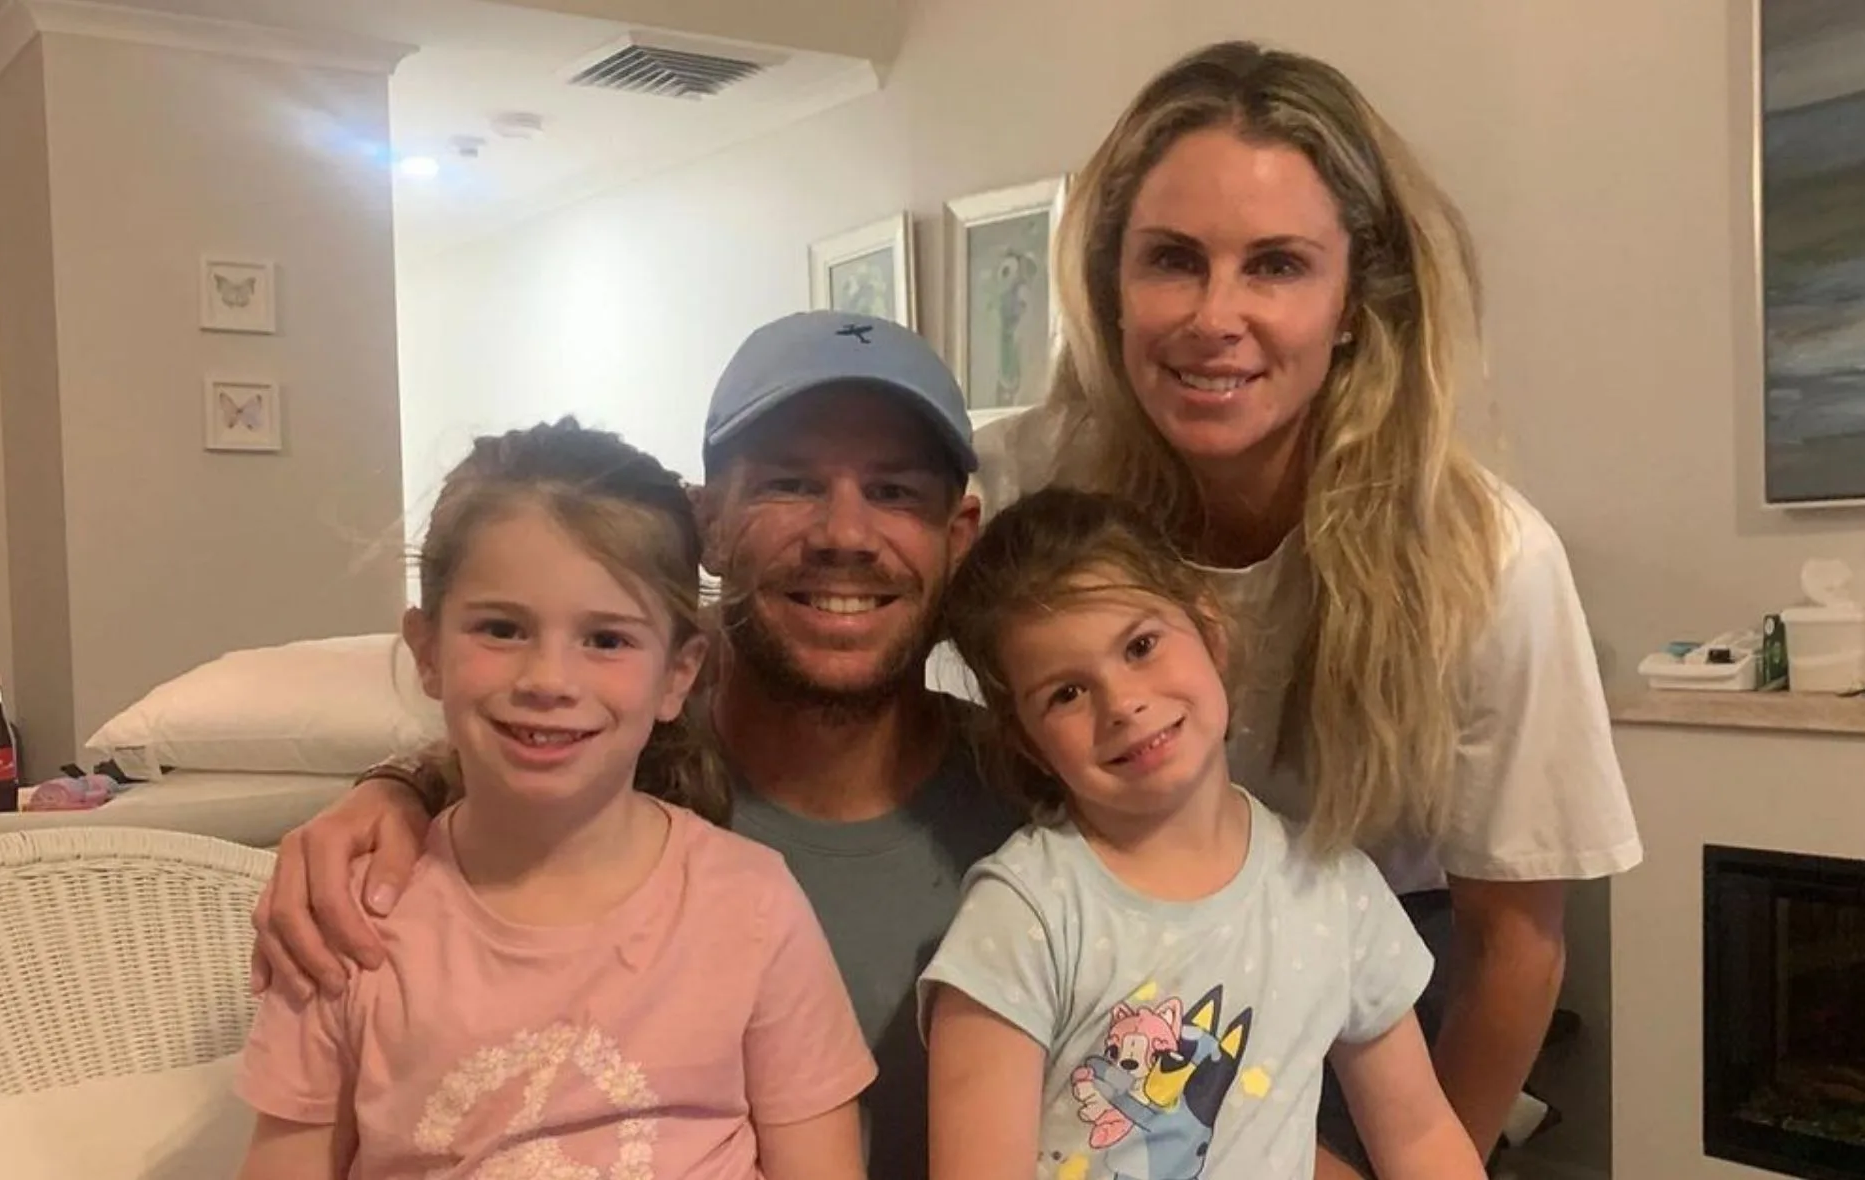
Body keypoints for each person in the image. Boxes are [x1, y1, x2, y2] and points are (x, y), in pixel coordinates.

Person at [971, 40, 1641, 1177]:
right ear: (1108, 281)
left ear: (1351, 304)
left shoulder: (1491, 560)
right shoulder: (1019, 485)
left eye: (1276, 266)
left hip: (1360, 1001)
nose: (1213, 316)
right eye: (1171, 260)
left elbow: (1517, 945)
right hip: (1084, 983)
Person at [246, 314, 1024, 1180]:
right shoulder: (607, 774)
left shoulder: (1045, 778)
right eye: (791, 483)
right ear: (709, 522)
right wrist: (392, 789)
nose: (844, 533)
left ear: (959, 535)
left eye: (895, 492)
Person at [235, 420, 873, 1179]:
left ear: (679, 674)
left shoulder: (752, 907)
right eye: (501, 629)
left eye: (606, 640)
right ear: (428, 649)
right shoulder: (352, 923)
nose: (548, 679)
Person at [922, 487, 1486, 1180]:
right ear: (1031, 745)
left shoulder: (1334, 889)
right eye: (1066, 693)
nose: (1123, 703)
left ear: (1211, 634)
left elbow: (1421, 1137)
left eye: (1141, 645)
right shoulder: (1024, 914)